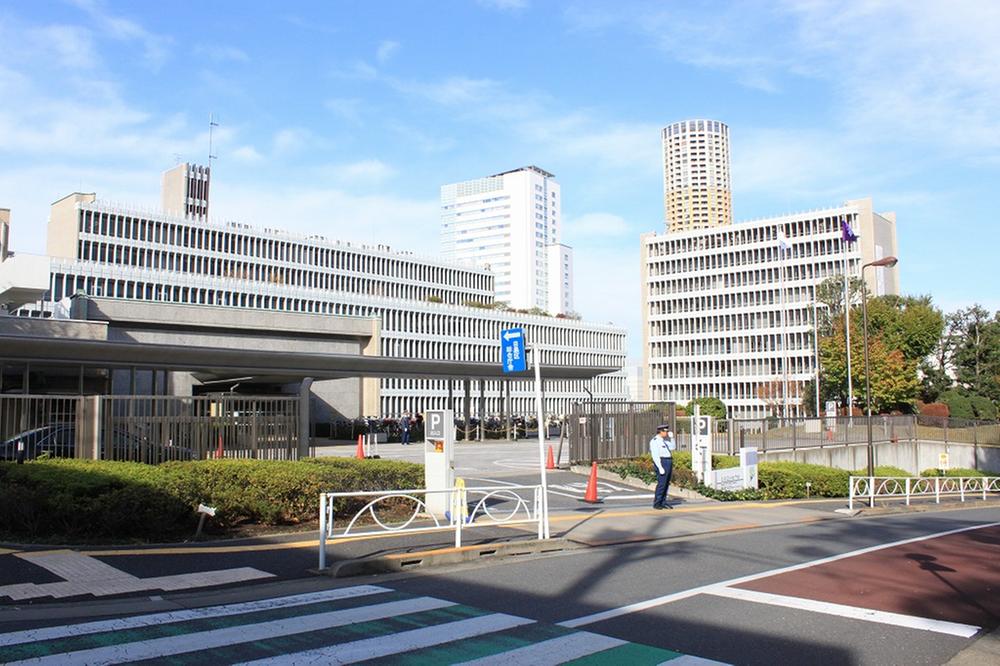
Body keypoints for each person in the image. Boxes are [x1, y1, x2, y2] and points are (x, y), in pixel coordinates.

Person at [650, 424, 676, 509]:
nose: (667, 433)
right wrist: (660, 467)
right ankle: (657, 503)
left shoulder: (664, 441)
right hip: (662, 462)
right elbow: (655, 456)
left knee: (666, 483)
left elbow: (673, 447)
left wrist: (672, 438)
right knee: (662, 484)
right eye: (665, 431)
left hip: (668, 461)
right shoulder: (655, 441)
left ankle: (663, 502)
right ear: (660, 432)